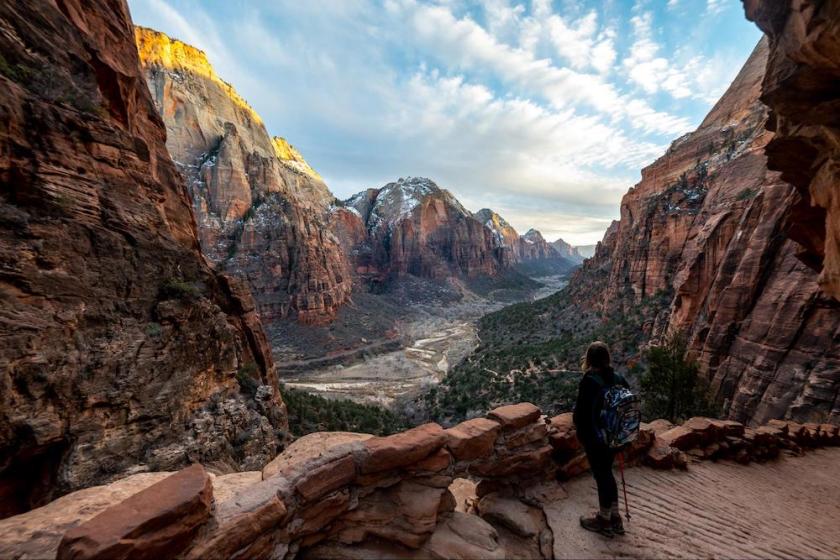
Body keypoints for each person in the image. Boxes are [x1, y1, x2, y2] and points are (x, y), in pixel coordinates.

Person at [573, 341, 630, 537]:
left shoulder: (590, 380)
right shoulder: (619, 378)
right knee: (608, 474)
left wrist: (582, 435)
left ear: (589, 359)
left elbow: (580, 414)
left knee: (602, 476)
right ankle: (615, 518)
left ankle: (604, 520)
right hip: (617, 437)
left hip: (597, 439)